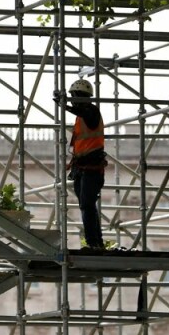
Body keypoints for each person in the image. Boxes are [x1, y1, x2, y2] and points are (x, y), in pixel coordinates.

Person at [56, 78, 108, 250]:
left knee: (87, 204)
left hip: (92, 168)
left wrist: (65, 106)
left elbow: (84, 113)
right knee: (85, 205)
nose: (72, 100)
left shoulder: (91, 112)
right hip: (82, 167)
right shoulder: (81, 117)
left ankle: (95, 243)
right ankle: (95, 242)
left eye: (74, 97)